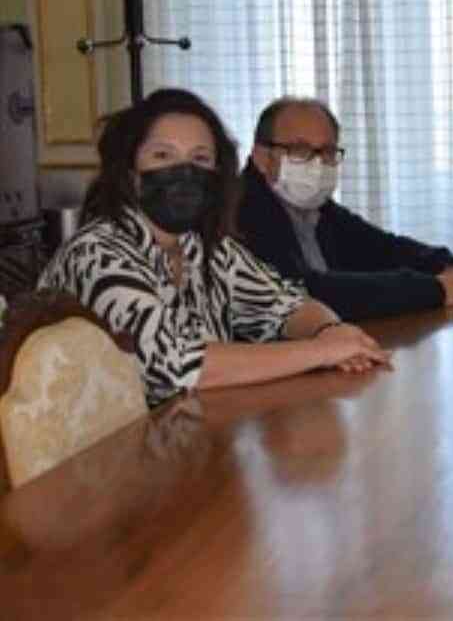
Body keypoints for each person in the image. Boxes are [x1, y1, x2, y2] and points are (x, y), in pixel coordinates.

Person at [38, 89, 389, 406]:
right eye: (163, 155)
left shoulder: (208, 248)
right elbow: (178, 365)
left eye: (201, 159)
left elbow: (286, 303)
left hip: (185, 436)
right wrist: (321, 351)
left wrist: (330, 330)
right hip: (93, 452)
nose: (185, 171)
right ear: (130, 172)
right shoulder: (96, 253)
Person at [237, 97, 453, 322]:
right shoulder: (240, 209)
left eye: (327, 152)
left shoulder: (316, 209)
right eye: (300, 150)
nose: (317, 164)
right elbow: (303, 294)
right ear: (262, 157)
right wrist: (435, 289)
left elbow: (383, 248)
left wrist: (447, 267)